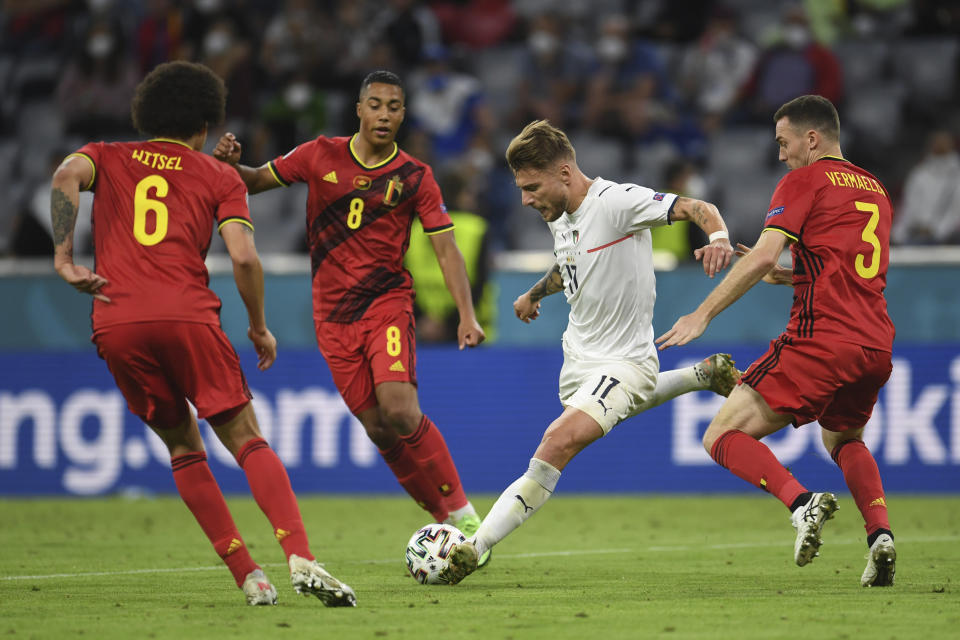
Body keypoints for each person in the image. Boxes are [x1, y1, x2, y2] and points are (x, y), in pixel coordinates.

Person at [50, 61, 356, 607]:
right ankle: (300, 556)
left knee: (182, 448)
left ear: (146, 116)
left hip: (116, 321)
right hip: (188, 317)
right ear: (205, 125)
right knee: (245, 437)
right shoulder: (218, 176)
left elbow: (62, 178)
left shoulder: (104, 155)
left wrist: (65, 259)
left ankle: (249, 576)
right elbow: (243, 256)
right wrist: (258, 326)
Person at [439, 119, 738, 584]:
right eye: (520, 188)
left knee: (556, 443)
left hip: (627, 363)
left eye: (531, 186)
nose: (525, 199)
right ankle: (701, 376)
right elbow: (569, 265)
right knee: (604, 413)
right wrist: (535, 294)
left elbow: (698, 207)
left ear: (563, 172)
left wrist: (718, 238)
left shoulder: (616, 202)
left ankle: (472, 549)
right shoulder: (561, 217)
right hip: (579, 360)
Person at [212, 70, 492, 564]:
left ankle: (465, 511)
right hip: (332, 318)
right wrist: (232, 166)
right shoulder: (319, 154)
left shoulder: (415, 176)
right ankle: (445, 523)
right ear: (359, 110)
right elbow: (255, 182)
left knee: (401, 410)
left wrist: (465, 315)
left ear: (404, 115)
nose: (385, 115)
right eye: (377, 105)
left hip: (386, 304)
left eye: (395, 107)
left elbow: (446, 250)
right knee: (379, 429)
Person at [656, 95, 896, 587]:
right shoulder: (876, 190)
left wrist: (702, 314)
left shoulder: (805, 179)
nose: (782, 155)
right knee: (844, 437)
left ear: (812, 138)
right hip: (875, 343)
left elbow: (764, 254)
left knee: (720, 435)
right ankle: (880, 537)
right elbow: (849, 265)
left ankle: (803, 504)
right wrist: (795, 276)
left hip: (823, 338)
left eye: (785, 143)